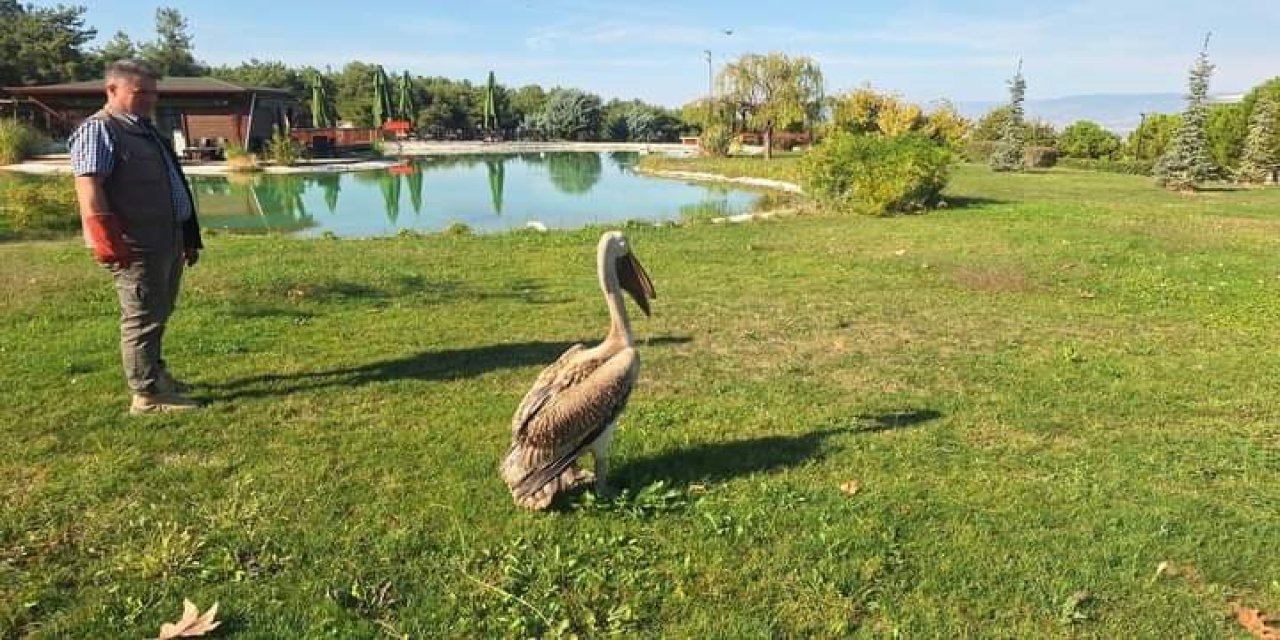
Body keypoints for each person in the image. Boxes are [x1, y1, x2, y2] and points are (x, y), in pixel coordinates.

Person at [69, 59, 204, 414]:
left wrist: (187, 235)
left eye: (153, 93)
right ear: (112, 90)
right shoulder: (102, 129)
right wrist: (105, 237)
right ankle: (146, 395)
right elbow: (89, 186)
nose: (149, 100)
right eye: (140, 92)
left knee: (159, 311)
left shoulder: (144, 129)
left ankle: (155, 375)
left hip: (166, 239)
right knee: (141, 317)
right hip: (135, 245)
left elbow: (173, 185)